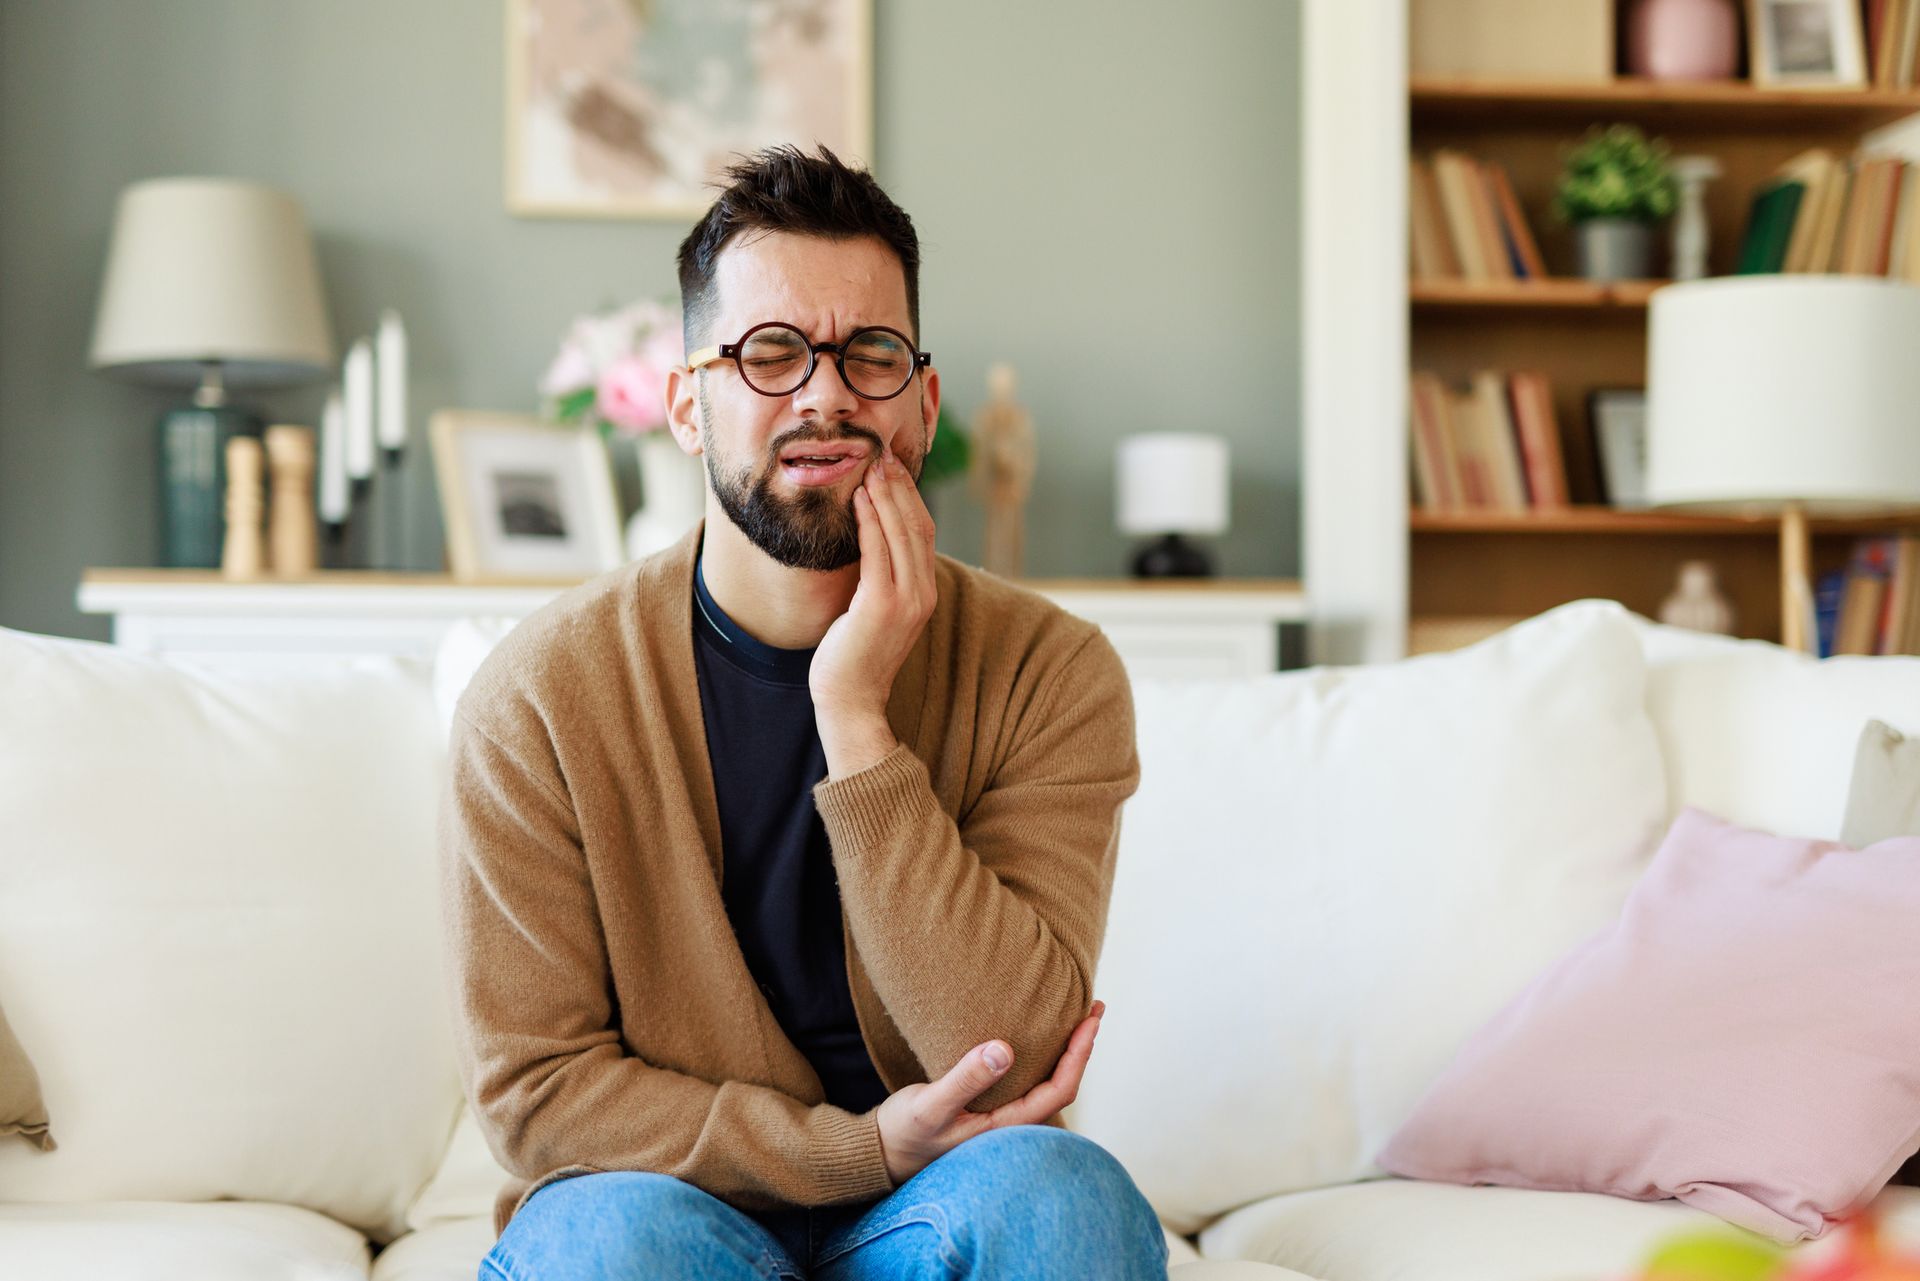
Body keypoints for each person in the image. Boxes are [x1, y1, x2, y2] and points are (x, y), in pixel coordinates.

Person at [438, 144, 1162, 1279]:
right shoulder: (537, 700)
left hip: (940, 1208)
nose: (824, 392)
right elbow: (538, 1098)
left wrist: (856, 713)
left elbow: (1011, 1060)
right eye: (770, 353)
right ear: (687, 404)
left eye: (869, 354)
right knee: (602, 1248)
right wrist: (853, 1148)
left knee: (1065, 1201)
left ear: (922, 406)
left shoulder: (1049, 672)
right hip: (674, 1219)